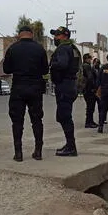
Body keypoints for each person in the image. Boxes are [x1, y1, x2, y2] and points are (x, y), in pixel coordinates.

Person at [3, 25, 49, 161]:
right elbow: (45, 70)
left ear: (19, 34)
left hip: (18, 87)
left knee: (17, 121)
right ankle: (38, 151)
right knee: (37, 120)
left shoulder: (12, 48)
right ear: (31, 34)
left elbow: (6, 69)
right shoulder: (39, 49)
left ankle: (18, 153)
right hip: (35, 88)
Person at [49, 26, 81, 157]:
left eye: (57, 35)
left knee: (64, 117)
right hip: (70, 84)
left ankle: (71, 147)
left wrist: (51, 64)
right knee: (63, 116)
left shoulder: (63, 48)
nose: (55, 38)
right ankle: (69, 145)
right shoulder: (72, 48)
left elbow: (62, 64)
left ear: (65, 36)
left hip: (64, 85)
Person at [81, 53, 98, 128]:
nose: (91, 60)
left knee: (90, 106)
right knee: (90, 107)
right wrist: (93, 87)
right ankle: (88, 122)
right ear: (86, 59)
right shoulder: (87, 66)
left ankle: (90, 121)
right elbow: (90, 78)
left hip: (86, 89)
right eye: (90, 58)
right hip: (89, 89)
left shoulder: (84, 66)